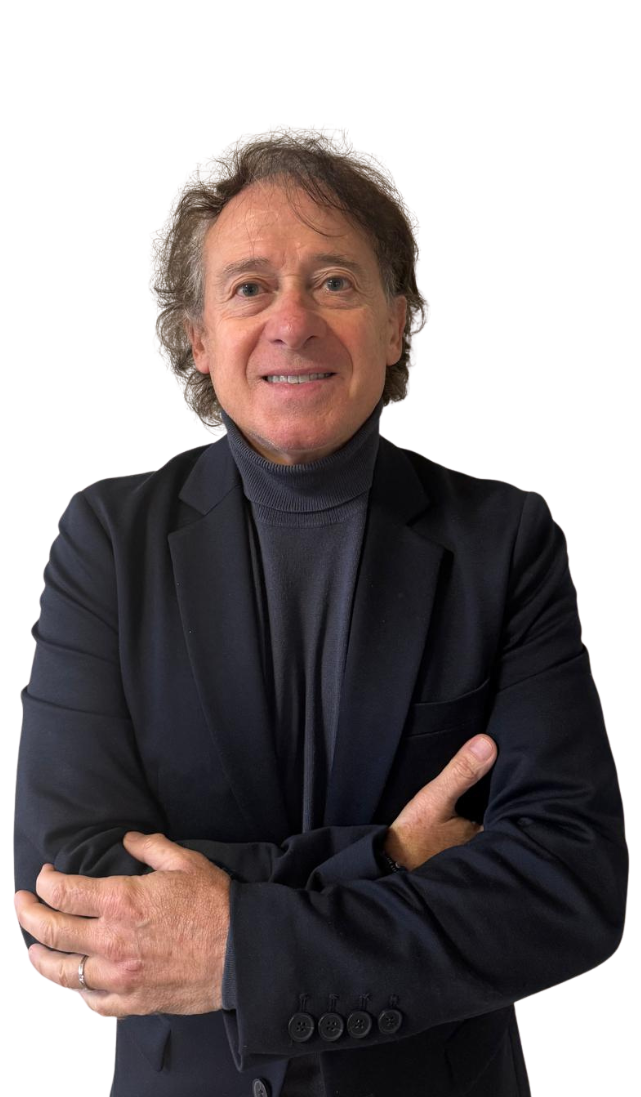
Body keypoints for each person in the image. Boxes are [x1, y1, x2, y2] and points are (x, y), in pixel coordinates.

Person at [13, 128, 626, 1097]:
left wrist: (236, 945)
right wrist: (382, 857)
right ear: (200, 337)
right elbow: (69, 880)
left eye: (334, 281)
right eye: (249, 287)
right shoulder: (106, 537)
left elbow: (566, 885)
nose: (292, 321)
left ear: (396, 324)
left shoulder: (503, 538)